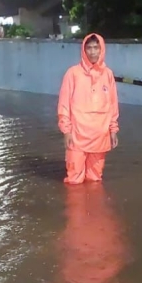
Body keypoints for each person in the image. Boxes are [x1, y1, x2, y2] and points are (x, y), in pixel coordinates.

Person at [57, 33, 119, 184]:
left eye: (96, 48)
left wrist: (113, 130)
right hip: (77, 135)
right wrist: (66, 130)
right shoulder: (73, 73)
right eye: (89, 48)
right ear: (83, 50)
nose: (92, 52)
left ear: (102, 49)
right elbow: (64, 104)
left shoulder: (108, 74)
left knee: (95, 179)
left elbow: (112, 105)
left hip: (100, 135)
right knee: (74, 181)